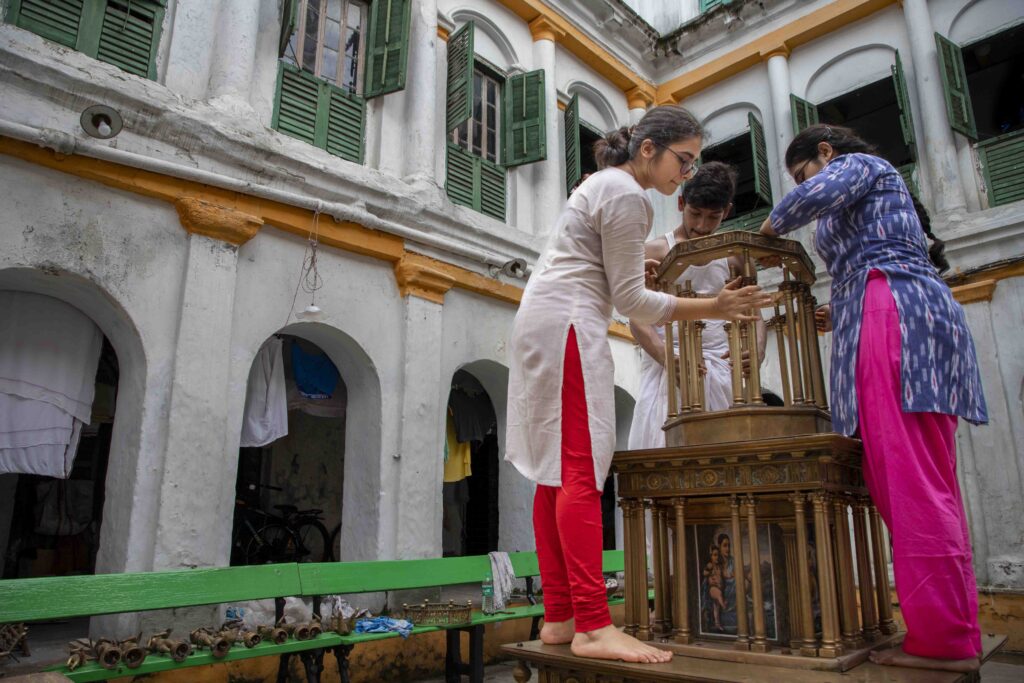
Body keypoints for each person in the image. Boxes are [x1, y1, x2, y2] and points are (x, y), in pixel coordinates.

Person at [506, 106, 771, 663]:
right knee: (578, 469)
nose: (687, 172)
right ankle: (595, 627)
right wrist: (716, 304)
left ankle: (561, 616)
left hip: (546, 322)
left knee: (553, 472)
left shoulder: (606, 185)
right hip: (570, 327)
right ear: (648, 149)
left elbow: (612, 276)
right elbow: (632, 303)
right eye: (683, 159)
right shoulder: (628, 194)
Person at [760, 123, 988, 673]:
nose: (804, 181)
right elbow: (873, 258)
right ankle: (950, 629)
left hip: (893, 320)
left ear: (826, 152)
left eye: (801, 170)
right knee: (925, 480)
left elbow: (816, 196)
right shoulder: (883, 197)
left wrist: (766, 232)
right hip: (897, 312)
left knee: (910, 483)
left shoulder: (863, 167)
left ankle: (940, 640)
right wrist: (837, 310)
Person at [628, 162, 767, 452]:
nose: (702, 226)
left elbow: (755, 314)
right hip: (671, 366)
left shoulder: (736, 257)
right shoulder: (654, 251)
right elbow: (638, 318)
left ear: (726, 212)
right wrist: (668, 359)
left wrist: (757, 351)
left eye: (712, 217)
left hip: (724, 368)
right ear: (681, 203)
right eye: (695, 214)